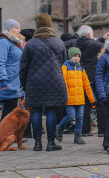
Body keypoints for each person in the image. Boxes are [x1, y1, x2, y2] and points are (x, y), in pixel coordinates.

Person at [19, 13, 67, 151]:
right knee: (51, 111)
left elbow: (23, 66)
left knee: (36, 111)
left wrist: (23, 84)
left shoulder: (31, 44)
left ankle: (37, 143)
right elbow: (63, 61)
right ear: (50, 24)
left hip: (34, 82)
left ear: (38, 25)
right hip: (54, 81)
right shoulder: (58, 42)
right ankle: (51, 143)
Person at [56, 47, 96, 144]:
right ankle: (60, 127)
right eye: (74, 56)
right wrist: (64, 95)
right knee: (70, 115)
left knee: (80, 116)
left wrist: (92, 99)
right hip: (69, 98)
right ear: (70, 56)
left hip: (80, 98)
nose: (77, 58)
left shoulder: (81, 68)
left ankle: (78, 136)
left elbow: (87, 85)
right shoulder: (65, 67)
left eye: (78, 56)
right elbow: (63, 83)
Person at [76, 25, 109, 136]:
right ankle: (102, 130)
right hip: (95, 77)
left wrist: (101, 38)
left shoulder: (77, 44)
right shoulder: (95, 45)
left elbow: (90, 44)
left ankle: (85, 130)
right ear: (90, 34)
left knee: (85, 104)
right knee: (101, 102)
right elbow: (104, 47)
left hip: (82, 76)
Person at [0, 19, 24, 121]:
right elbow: (1, 62)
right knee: (9, 112)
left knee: (11, 111)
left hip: (15, 81)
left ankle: (7, 134)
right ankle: (3, 134)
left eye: (19, 27)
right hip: (8, 82)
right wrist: (3, 80)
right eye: (16, 27)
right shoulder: (4, 42)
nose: (19, 30)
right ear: (9, 29)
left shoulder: (15, 42)